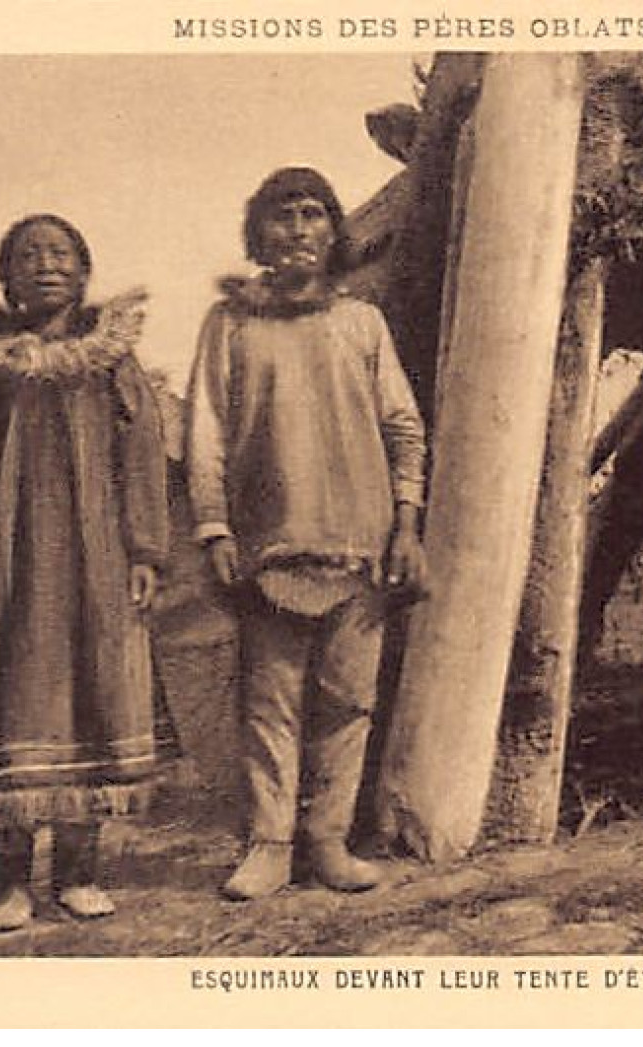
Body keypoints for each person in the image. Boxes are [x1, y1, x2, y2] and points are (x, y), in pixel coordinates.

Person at [0, 214, 177, 933]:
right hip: (8, 573)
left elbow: (144, 456)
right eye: (28, 254)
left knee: (95, 702)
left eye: (60, 252)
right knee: (4, 709)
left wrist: (146, 552)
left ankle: (79, 873)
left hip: (96, 567)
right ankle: (3, 885)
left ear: (84, 271)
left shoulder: (110, 360)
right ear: (6, 278)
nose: (46, 263)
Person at [186, 166, 428, 901]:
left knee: (347, 698)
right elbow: (206, 432)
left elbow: (403, 427)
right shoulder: (228, 324)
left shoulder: (361, 322)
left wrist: (406, 524)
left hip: (359, 539)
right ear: (257, 233)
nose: (298, 230)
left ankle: (327, 840)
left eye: (313, 214)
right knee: (270, 703)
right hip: (268, 543)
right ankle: (268, 844)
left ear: (334, 231)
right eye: (282, 216)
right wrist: (213, 526)